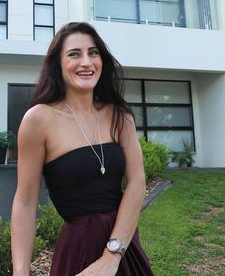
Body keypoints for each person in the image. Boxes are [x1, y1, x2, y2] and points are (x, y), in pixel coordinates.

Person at [11, 22, 154, 276]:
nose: (86, 62)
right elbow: (25, 201)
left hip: (123, 248)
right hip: (78, 251)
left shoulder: (120, 115)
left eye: (93, 52)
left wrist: (112, 256)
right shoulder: (38, 120)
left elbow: (137, 182)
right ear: (58, 64)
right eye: (74, 54)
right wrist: (21, 272)